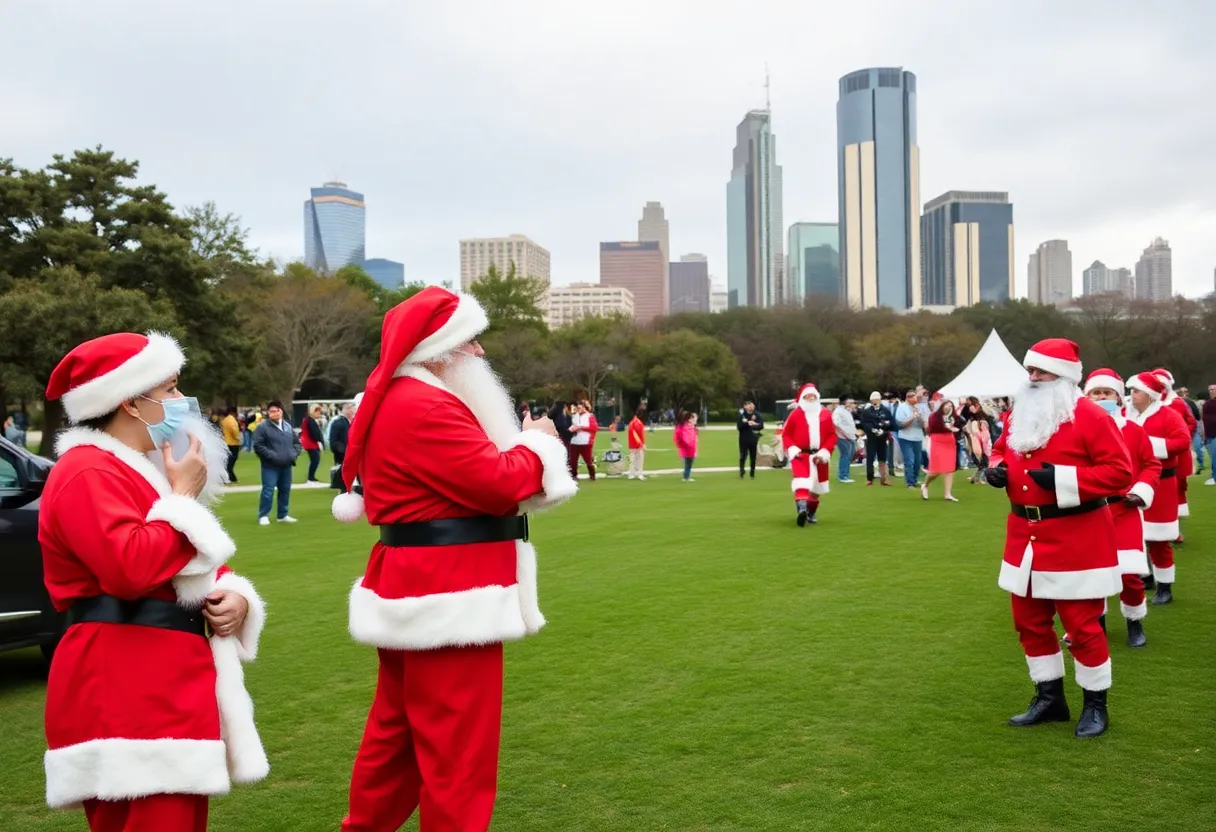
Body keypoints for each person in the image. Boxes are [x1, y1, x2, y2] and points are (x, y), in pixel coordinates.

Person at [330, 287, 578, 832]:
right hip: (448, 593)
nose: (481, 353)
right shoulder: (424, 403)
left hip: (420, 587)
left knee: (395, 743)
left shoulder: (406, 398)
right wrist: (537, 443)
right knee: (457, 754)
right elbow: (497, 482)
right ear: (439, 348)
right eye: (471, 341)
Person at [39, 331, 268, 830]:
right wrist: (183, 499)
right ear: (130, 401)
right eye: (168, 389)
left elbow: (189, 562)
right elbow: (130, 567)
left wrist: (237, 597)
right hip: (126, 682)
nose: (180, 402)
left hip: (159, 681)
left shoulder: (130, 469)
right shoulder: (85, 471)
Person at [985, 338, 1131, 738]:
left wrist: (1065, 480)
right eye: (1030, 371)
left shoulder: (1090, 416)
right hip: (1024, 537)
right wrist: (995, 468)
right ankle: (1050, 699)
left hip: (1076, 535)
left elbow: (1120, 472)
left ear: (1064, 376)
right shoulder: (1019, 412)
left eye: (1041, 371)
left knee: (1083, 627)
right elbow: (1001, 450)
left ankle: (1095, 704)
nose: (1032, 378)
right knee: (1028, 622)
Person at [1083, 369, 1160, 647]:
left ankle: (1134, 621)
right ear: (1086, 396)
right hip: (1089, 513)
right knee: (1094, 573)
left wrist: (1141, 491)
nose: (1102, 397)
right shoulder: (1076, 432)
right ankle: (1096, 623)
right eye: (1096, 392)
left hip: (1124, 511)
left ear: (1118, 397)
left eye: (1107, 392)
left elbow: (1152, 465)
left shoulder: (1134, 431)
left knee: (1129, 573)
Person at [1126, 371, 1189, 605]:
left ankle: (1165, 586)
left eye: (1136, 391)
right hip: (1135, 483)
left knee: (1159, 538)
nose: (1131, 396)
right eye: (1131, 391)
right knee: (1137, 535)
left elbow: (1182, 441)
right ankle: (1148, 575)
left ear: (1151, 395)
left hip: (1162, 484)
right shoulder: (1128, 415)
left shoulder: (1169, 415)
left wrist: (1150, 445)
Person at [782, 383, 836, 527]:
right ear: (803, 398)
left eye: (813, 396)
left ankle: (811, 512)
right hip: (801, 455)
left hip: (819, 455)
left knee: (818, 487)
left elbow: (831, 435)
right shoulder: (796, 414)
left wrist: (825, 451)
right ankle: (802, 509)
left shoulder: (825, 414)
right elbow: (786, 434)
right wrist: (793, 449)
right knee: (802, 482)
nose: (810, 398)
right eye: (807, 396)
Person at [1153, 369, 1195, 530]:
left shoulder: (1176, 403)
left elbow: (1190, 423)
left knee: (1175, 488)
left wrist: (1178, 438)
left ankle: (1173, 527)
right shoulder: (1152, 405)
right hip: (1156, 454)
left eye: (1163, 386)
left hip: (1175, 453)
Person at [252, 399, 301, 525]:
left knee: (285, 490)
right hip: (270, 466)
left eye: (275, 411)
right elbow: (258, 445)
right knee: (268, 491)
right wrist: (271, 456)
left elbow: (296, 443)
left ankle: (282, 515)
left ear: (281, 411)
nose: (272, 413)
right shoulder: (263, 427)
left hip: (286, 464)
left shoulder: (287, 426)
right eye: (270, 411)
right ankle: (263, 515)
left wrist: (294, 454)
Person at [923, 399, 960, 502]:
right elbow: (933, 428)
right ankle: (925, 485)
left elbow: (960, 424)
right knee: (936, 469)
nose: (949, 408)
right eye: (947, 405)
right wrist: (948, 428)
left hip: (949, 442)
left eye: (951, 406)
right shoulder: (934, 416)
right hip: (937, 441)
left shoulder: (953, 418)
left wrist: (955, 429)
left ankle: (948, 493)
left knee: (949, 469)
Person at [857, 392, 893, 486]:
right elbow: (864, 424)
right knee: (870, 458)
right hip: (871, 437)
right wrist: (872, 429)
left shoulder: (885, 410)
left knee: (883, 458)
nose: (875, 401)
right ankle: (869, 479)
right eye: (873, 400)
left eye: (877, 399)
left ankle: (883, 478)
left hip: (882, 437)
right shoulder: (867, 411)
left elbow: (890, 421)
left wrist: (883, 429)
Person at [894, 389, 927, 488]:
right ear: (909, 397)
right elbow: (900, 424)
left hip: (917, 437)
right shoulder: (902, 408)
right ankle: (910, 483)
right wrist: (912, 417)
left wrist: (920, 418)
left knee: (918, 461)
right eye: (915, 396)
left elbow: (923, 425)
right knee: (910, 460)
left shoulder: (918, 408)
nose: (916, 398)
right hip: (906, 438)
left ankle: (915, 479)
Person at [567, 400, 598, 481]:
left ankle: (592, 475)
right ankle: (574, 475)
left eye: (580, 408)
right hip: (574, 441)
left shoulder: (589, 416)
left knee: (588, 460)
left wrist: (581, 428)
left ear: (584, 407)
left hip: (585, 442)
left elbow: (594, 428)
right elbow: (573, 425)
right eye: (577, 408)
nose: (578, 409)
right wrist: (571, 429)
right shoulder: (575, 416)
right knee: (573, 460)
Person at [832, 398, 857, 483]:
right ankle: (843, 476)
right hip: (842, 437)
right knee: (845, 455)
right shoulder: (838, 411)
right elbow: (835, 423)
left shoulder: (846, 411)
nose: (851, 403)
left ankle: (845, 474)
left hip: (849, 436)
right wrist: (843, 433)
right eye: (850, 402)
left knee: (849, 455)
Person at [737, 401, 764, 479]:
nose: (751, 407)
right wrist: (748, 423)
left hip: (753, 438)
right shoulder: (742, 415)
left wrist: (753, 424)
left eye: (752, 405)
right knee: (743, 456)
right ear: (745, 406)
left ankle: (752, 473)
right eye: (749, 405)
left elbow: (761, 425)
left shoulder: (757, 415)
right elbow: (739, 427)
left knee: (753, 456)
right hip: (743, 439)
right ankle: (742, 471)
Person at [301, 404, 326, 483]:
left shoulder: (308, 420)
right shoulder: (310, 421)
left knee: (315, 460)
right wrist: (319, 441)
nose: (319, 414)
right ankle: (311, 477)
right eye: (318, 412)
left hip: (310, 443)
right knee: (315, 460)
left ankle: (311, 477)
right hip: (311, 443)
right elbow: (314, 433)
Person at [674, 409, 698, 482]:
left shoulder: (686, 426)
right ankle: (686, 477)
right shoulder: (686, 427)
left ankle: (686, 476)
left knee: (689, 462)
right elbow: (687, 438)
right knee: (688, 463)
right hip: (688, 448)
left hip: (689, 448)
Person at [330, 401, 355, 466]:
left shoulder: (353, 422)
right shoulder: (338, 423)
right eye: (349, 408)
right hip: (342, 458)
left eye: (352, 407)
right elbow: (334, 443)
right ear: (345, 410)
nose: (353, 410)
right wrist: (346, 451)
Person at [221, 406, 242, 483]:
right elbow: (234, 430)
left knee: (228, 460)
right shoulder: (232, 420)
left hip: (226, 441)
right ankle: (229, 476)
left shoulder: (225, 420)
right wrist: (238, 438)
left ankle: (230, 477)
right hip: (233, 443)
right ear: (233, 412)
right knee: (231, 461)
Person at [627, 406, 647, 480]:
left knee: (633, 459)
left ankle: (631, 474)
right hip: (637, 444)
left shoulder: (632, 422)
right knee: (639, 459)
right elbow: (640, 435)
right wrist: (642, 444)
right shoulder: (637, 423)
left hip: (632, 444)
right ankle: (639, 473)